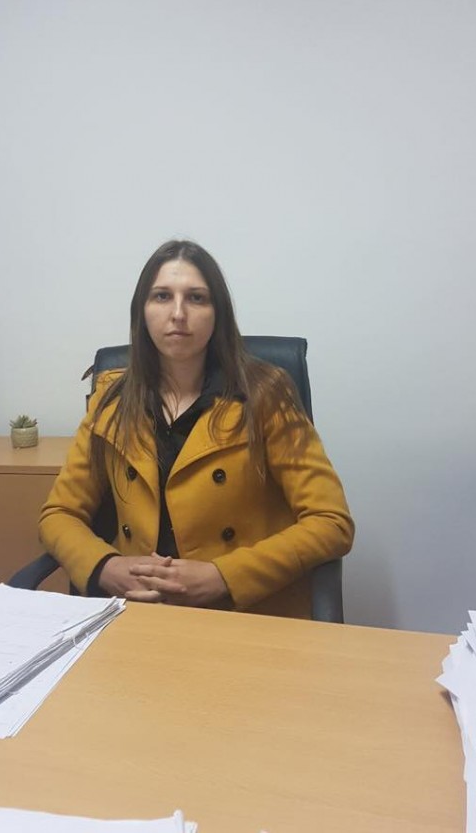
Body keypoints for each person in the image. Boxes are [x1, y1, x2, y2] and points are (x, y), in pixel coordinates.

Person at [40, 240, 354, 619]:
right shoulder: (113, 400)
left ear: (217, 313)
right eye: (161, 296)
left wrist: (224, 576)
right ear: (142, 312)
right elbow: (59, 514)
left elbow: (331, 522)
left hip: (241, 614)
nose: (178, 314)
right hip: (138, 611)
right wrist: (106, 567)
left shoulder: (266, 394)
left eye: (196, 298)